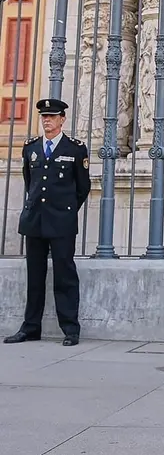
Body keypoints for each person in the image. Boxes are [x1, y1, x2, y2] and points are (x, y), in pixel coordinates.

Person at [4, 98, 91, 347]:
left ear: (62, 119)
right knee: (35, 275)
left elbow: (82, 187)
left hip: (61, 221)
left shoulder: (75, 149)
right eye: (44, 117)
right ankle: (30, 327)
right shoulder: (31, 148)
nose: (47, 121)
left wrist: (66, 210)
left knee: (64, 274)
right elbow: (30, 179)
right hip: (35, 220)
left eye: (52, 117)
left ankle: (70, 329)